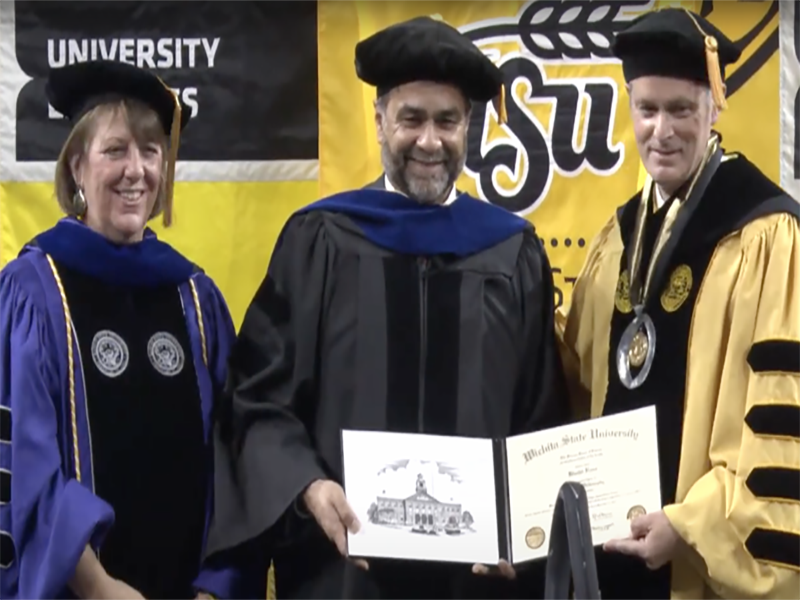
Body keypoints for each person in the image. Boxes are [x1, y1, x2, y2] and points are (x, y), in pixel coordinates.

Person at [206, 15, 568, 600]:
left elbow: (541, 417)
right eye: (412, 119)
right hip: (343, 575)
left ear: (468, 126)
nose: (430, 140)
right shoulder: (321, 240)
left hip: (477, 585)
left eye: (447, 120)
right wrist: (307, 485)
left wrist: (522, 530)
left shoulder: (510, 251)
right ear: (379, 122)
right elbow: (258, 398)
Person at [557, 7, 800, 600]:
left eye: (681, 110)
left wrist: (692, 528)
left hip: (699, 567)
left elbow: (781, 417)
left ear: (714, 106)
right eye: (647, 109)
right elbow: (572, 378)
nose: (661, 131)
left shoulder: (768, 235)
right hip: (611, 558)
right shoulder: (618, 238)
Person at [0, 60, 266, 600]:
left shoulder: (195, 298)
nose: (136, 170)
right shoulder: (33, 290)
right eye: (115, 150)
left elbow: (237, 461)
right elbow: (26, 465)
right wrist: (98, 588)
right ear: (77, 166)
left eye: (151, 152)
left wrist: (217, 585)